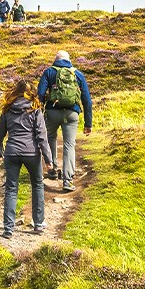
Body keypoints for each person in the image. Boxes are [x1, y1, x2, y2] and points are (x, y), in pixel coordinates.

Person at [0, 78, 55, 238]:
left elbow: (0, 133)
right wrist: (49, 160)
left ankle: (8, 229)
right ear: (31, 92)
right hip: (31, 153)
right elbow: (42, 136)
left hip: (12, 152)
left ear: (16, 91)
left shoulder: (7, 109)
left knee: (11, 189)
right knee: (37, 185)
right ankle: (39, 224)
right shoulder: (35, 109)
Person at [37, 50, 93, 193]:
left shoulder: (49, 72)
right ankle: (67, 181)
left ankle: (53, 168)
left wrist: (37, 115)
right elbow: (87, 100)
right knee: (69, 144)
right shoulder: (78, 74)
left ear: (56, 59)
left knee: (50, 137)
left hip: (52, 112)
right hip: (72, 113)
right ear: (69, 60)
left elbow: (40, 95)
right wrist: (88, 123)